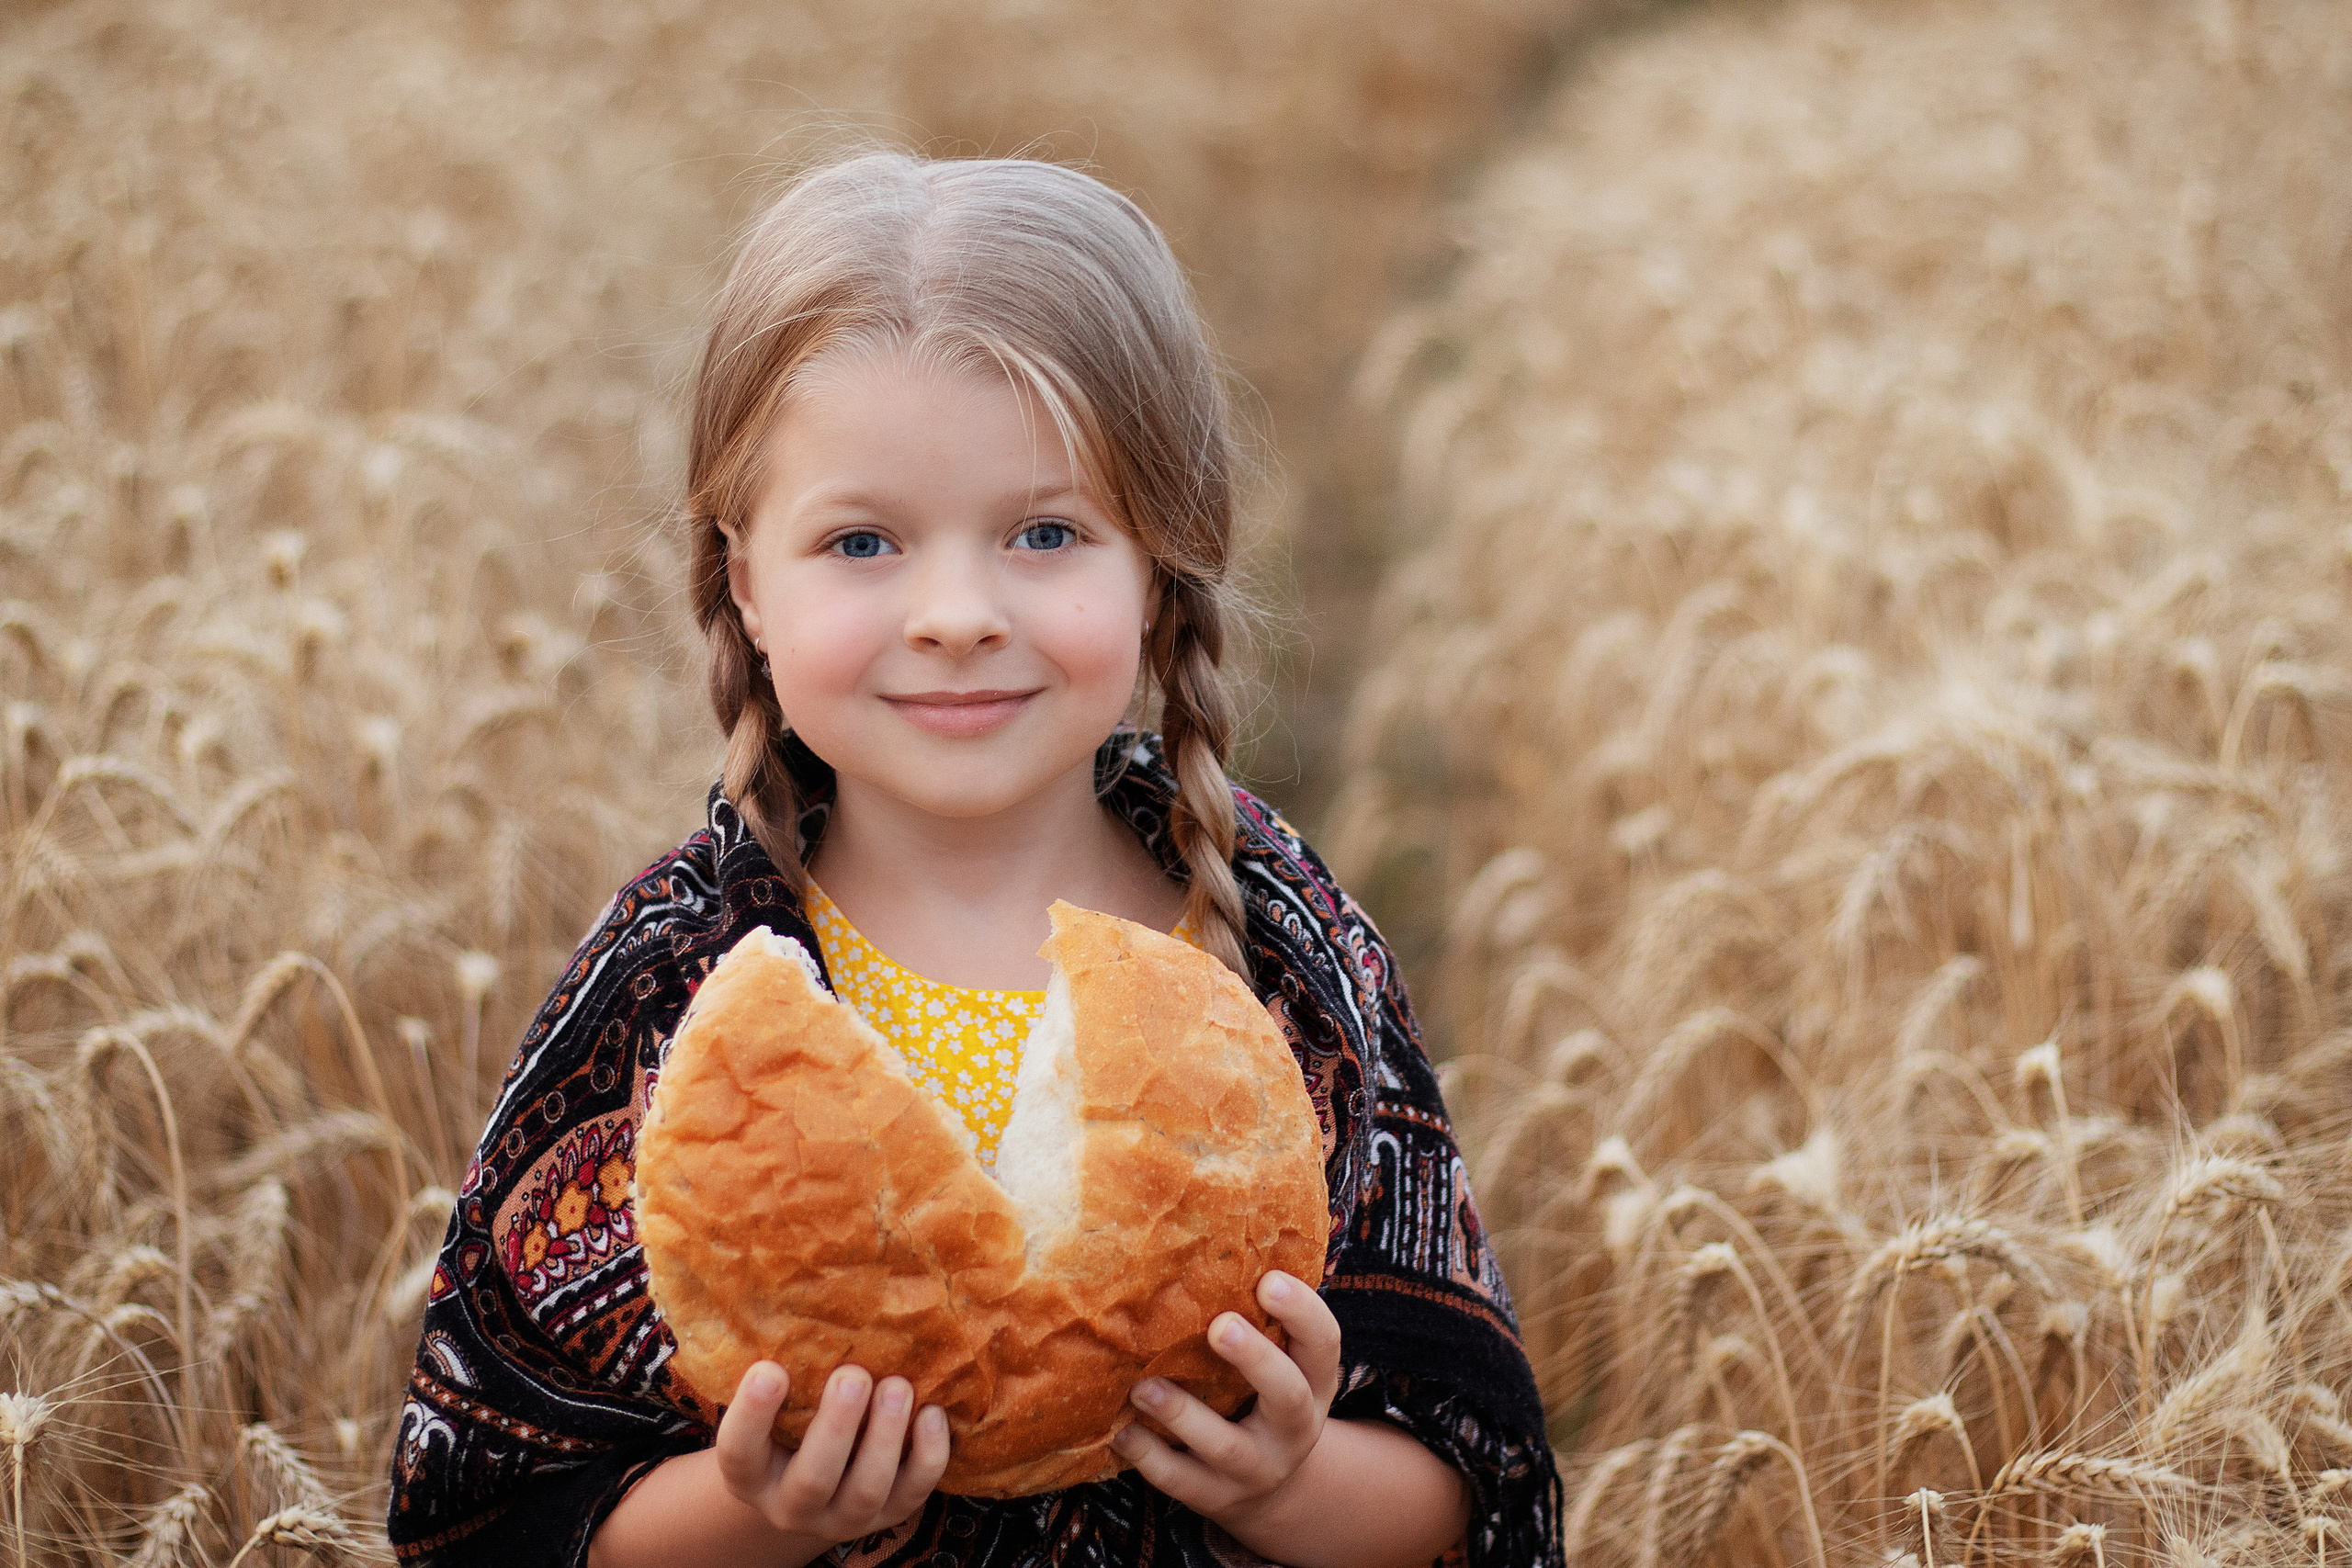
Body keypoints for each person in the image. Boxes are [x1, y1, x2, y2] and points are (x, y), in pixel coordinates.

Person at [385, 151, 1563, 1568]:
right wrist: (755, 1512)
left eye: (1046, 533)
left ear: (1160, 561)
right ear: (746, 577)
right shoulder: (675, 994)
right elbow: (495, 1511)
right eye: (864, 540)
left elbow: (1464, 1470)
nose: (955, 613)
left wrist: (1287, 1485)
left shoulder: (1279, 950)